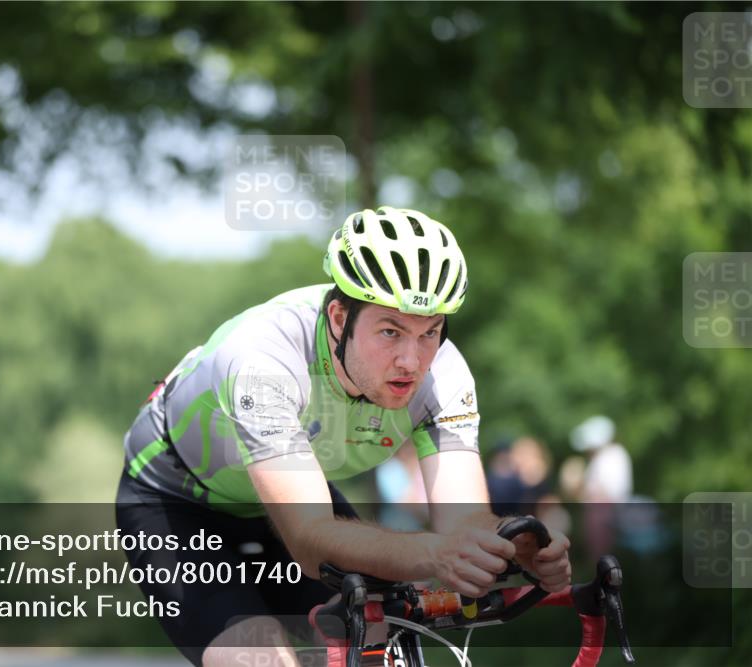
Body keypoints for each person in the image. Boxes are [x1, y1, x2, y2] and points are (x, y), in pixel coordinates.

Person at [116, 206, 572, 666]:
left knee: (376, 640)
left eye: (430, 332)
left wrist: (516, 545)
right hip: (174, 502)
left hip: (281, 496)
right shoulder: (263, 360)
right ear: (339, 318)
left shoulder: (445, 375)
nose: (412, 361)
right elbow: (310, 540)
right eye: (390, 332)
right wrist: (435, 554)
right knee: (257, 654)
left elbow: (464, 522)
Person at [569, 415, 634, 561]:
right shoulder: (605, 456)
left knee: (602, 553)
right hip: (602, 511)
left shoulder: (612, 455)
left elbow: (611, 491)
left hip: (606, 512)